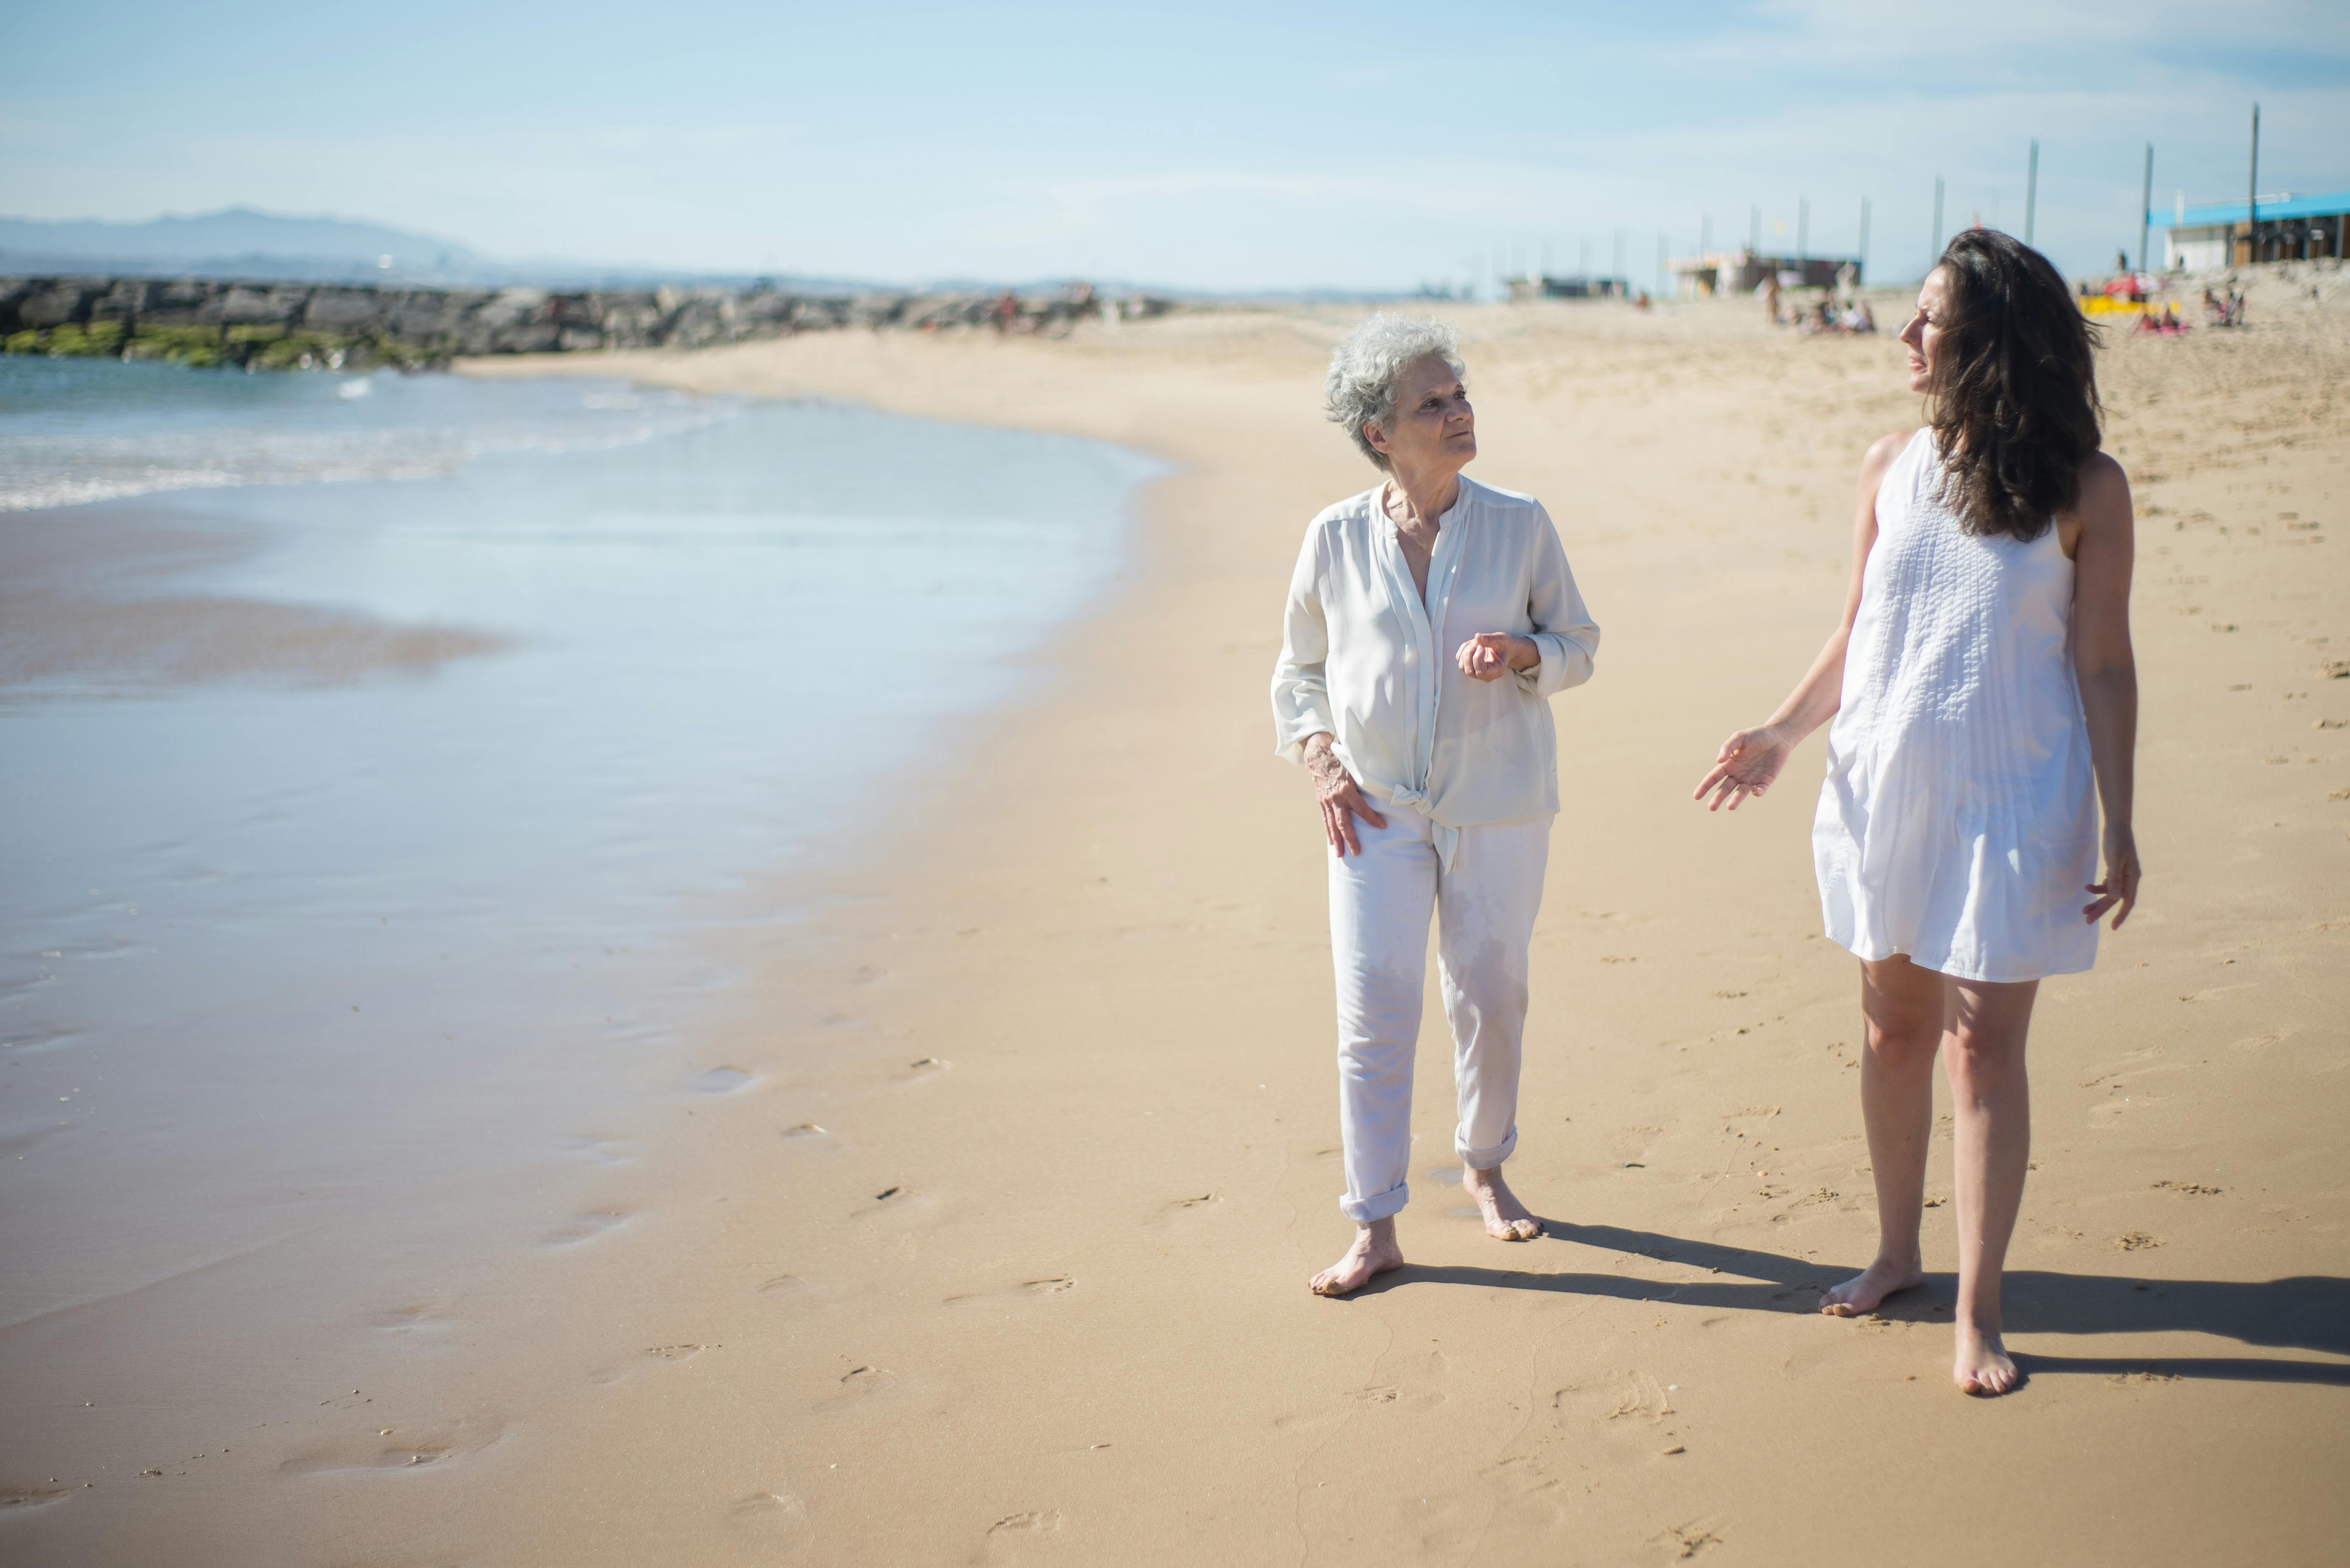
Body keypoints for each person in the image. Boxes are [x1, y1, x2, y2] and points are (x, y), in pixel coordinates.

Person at [1692, 230, 2140, 1395]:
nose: (1902, 334)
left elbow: (2102, 664)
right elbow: (1858, 630)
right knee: (1892, 1028)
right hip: (1882, 783)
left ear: (1987, 340)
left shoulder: (2084, 488)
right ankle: (1894, 1250)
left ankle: (1976, 1308)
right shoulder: (1887, 461)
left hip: (2012, 796)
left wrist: (2119, 817)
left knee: (1979, 1048)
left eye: (1927, 317)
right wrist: (1781, 733)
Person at [1272, 315, 1601, 1297]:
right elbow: (1300, 673)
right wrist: (1320, 755)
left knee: (1489, 993)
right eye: (1433, 403)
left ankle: (1484, 1164)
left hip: (1500, 803)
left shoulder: (1520, 521)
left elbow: (1578, 638)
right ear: (1381, 432)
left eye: (1459, 395)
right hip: (1370, 810)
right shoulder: (1332, 537)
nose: (1459, 413)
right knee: (1373, 1008)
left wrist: (1524, 652)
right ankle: (1374, 1225)